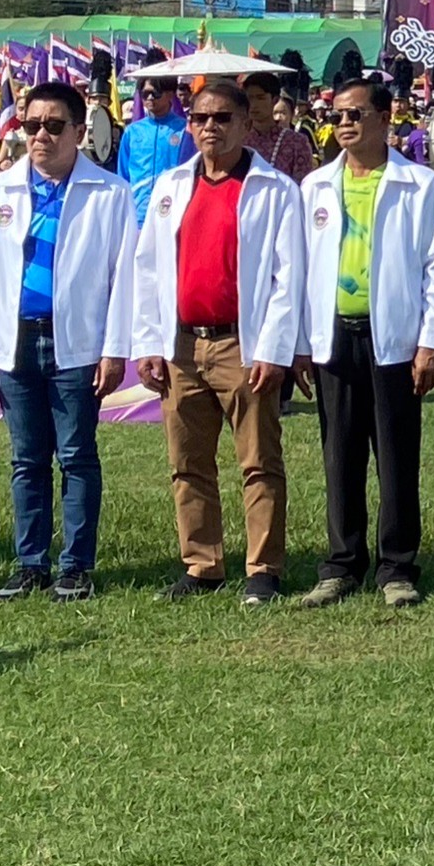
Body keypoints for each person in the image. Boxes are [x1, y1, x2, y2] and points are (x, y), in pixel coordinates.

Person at [131, 79, 306, 604]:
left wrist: (272, 349)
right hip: (183, 345)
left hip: (241, 345)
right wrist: (149, 342)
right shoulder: (170, 186)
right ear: (190, 126)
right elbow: (148, 269)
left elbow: (288, 277)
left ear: (246, 124)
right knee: (187, 462)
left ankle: (263, 569)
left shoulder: (275, 190)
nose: (210, 127)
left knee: (258, 462)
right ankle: (202, 563)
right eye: (201, 118)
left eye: (223, 118)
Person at [0, 81, 138, 603]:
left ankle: (76, 566)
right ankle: (30, 563)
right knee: (27, 459)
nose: (41, 135)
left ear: (80, 132)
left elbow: (124, 276)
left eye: (55, 126)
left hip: (76, 343)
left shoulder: (110, 194)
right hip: (14, 340)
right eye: (32, 125)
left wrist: (114, 348)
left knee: (77, 456)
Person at [290, 79, 434, 610]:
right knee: (339, 455)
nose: (344, 123)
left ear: (386, 118)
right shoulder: (315, 186)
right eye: (336, 115)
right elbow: (299, 271)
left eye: (355, 114)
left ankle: (397, 566)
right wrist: (300, 343)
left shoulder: (419, 185)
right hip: (334, 336)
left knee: (396, 456)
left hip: (395, 339)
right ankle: (342, 564)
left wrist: (431, 342)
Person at [117, 76, 195, 227]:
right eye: (145, 94)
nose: (150, 98)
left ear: (170, 94)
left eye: (155, 93)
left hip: (172, 213)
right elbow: (123, 175)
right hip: (137, 214)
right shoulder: (132, 131)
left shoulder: (185, 130)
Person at [244, 73, 318, 183]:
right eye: (249, 98)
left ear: (275, 100)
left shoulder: (296, 142)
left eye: (260, 98)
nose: (253, 104)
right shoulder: (237, 140)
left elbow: (304, 184)